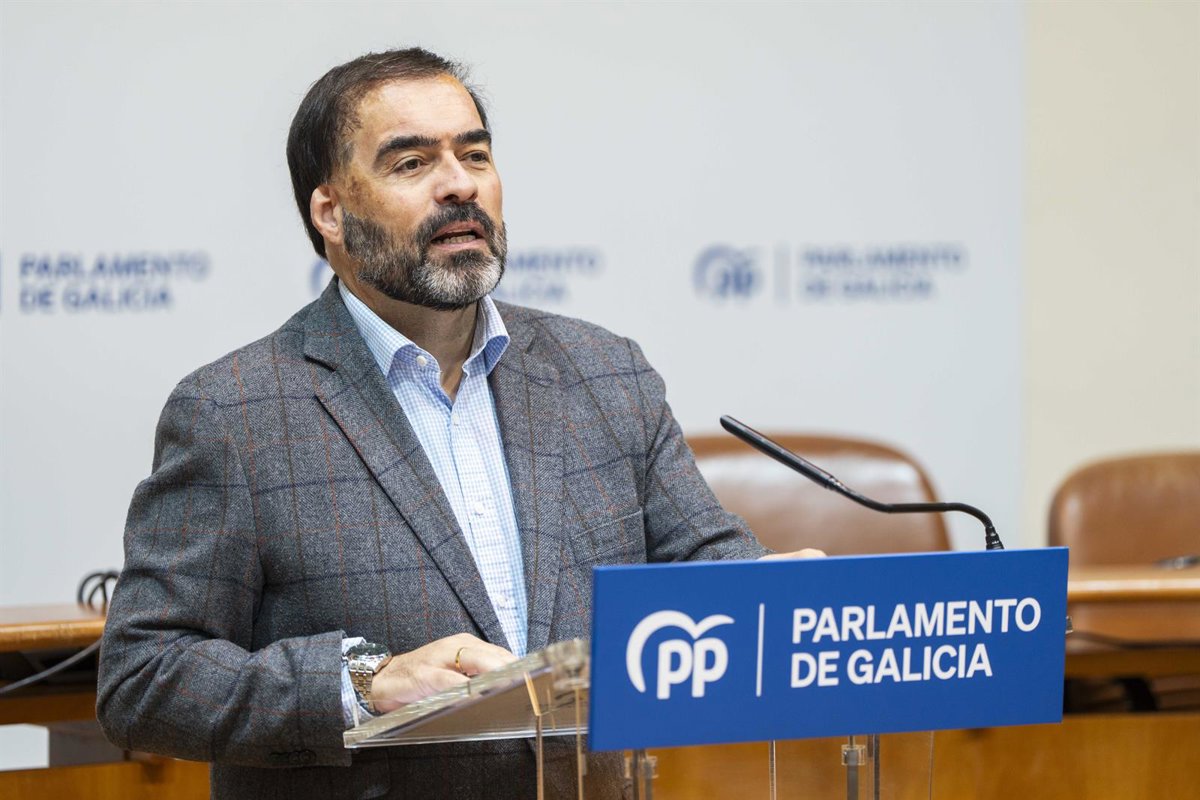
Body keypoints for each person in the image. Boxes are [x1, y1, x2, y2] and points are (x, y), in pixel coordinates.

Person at [97, 47, 812, 800]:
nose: (460, 185)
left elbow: (703, 563)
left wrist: (774, 591)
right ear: (331, 213)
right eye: (411, 163)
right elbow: (144, 676)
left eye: (475, 155)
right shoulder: (234, 413)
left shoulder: (604, 372)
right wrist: (361, 684)